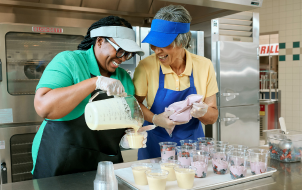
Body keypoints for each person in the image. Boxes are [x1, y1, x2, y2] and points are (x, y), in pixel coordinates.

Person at [32, 16, 153, 179]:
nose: (123, 58)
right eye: (120, 51)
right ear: (100, 41)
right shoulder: (69, 61)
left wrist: (126, 140)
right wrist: (95, 82)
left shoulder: (123, 77)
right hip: (59, 161)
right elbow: (43, 107)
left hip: (104, 163)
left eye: (128, 54)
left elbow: (125, 119)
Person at [133, 5, 219, 160]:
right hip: (154, 147)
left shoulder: (204, 66)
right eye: (153, 44)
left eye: (163, 44)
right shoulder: (146, 66)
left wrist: (202, 111)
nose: (156, 50)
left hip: (192, 149)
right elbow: (133, 104)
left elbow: (212, 117)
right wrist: (155, 119)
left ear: (182, 41)